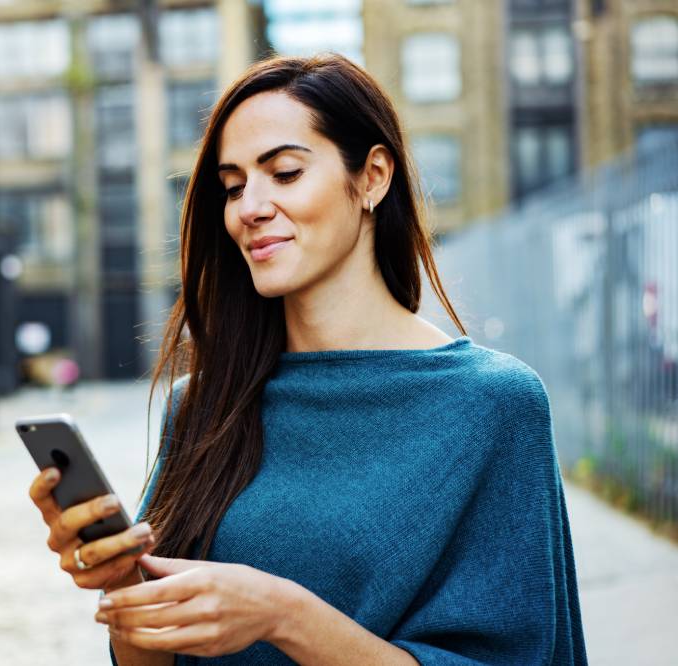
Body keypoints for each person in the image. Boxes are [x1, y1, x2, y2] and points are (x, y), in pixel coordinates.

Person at [28, 53, 587, 665]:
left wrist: (282, 615)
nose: (250, 208)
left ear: (373, 177)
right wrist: (121, 587)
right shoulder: (203, 404)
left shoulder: (492, 406)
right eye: (234, 185)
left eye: (286, 173)